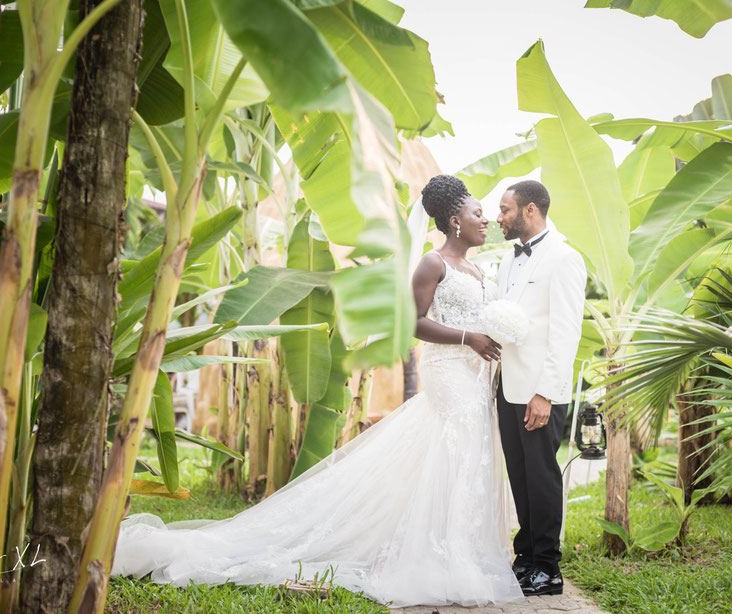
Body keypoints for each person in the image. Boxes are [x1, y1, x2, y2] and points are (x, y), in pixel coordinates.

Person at [111, 175, 523, 607]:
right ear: (455, 220)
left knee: (467, 454)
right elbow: (413, 321)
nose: (486, 221)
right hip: (450, 372)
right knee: (451, 452)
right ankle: (440, 556)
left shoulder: (479, 268)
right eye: (478, 214)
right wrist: (468, 339)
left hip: (479, 378)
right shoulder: (432, 263)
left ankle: (462, 547)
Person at [494, 180, 586, 596]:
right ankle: (526, 557)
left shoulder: (565, 259)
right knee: (520, 476)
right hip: (507, 387)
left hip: (538, 392)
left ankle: (548, 568)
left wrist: (545, 393)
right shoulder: (506, 261)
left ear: (530, 210)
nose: (499, 218)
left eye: (505, 210)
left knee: (542, 476)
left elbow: (566, 333)